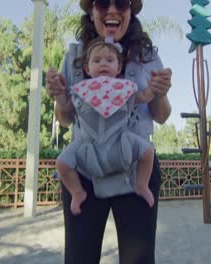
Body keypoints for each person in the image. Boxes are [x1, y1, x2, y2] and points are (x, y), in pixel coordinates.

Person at [46, 0, 172, 263]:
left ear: (130, 12)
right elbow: (65, 119)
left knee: (139, 259)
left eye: (122, 3)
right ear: (91, 12)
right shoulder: (75, 57)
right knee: (79, 258)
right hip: (84, 171)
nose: (113, 10)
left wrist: (158, 92)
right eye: (103, 2)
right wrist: (59, 98)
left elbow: (161, 116)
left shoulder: (147, 56)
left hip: (135, 165)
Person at [55, 36, 156, 216]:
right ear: (87, 68)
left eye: (109, 60)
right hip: (87, 142)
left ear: (118, 67)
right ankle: (77, 192)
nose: (103, 64)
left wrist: (155, 86)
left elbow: (144, 97)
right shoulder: (81, 89)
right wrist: (59, 92)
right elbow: (67, 106)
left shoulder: (125, 87)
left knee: (148, 152)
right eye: (97, 60)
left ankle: (141, 185)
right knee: (62, 163)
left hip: (120, 139)